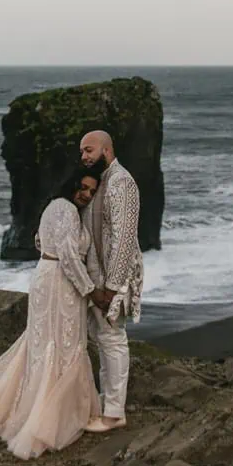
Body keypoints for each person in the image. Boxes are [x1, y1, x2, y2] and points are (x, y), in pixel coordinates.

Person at [0, 169, 102, 458]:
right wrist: (90, 290)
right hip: (60, 281)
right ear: (72, 184)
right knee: (64, 343)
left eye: (92, 191)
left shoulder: (53, 207)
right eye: (83, 187)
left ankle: (33, 408)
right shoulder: (68, 210)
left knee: (43, 342)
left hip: (45, 273)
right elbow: (69, 257)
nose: (87, 194)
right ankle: (52, 417)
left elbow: (39, 242)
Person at [77, 129, 142, 433]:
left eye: (88, 150)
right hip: (95, 280)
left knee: (113, 339)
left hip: (112, 281)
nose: (84, 156)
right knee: (103, 339)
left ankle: (115, 415)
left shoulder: (121, 182)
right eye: (81, 152)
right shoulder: (100, 181)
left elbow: (124, 238)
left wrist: (112, 288)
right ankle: (108, 403)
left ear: (106, 149)